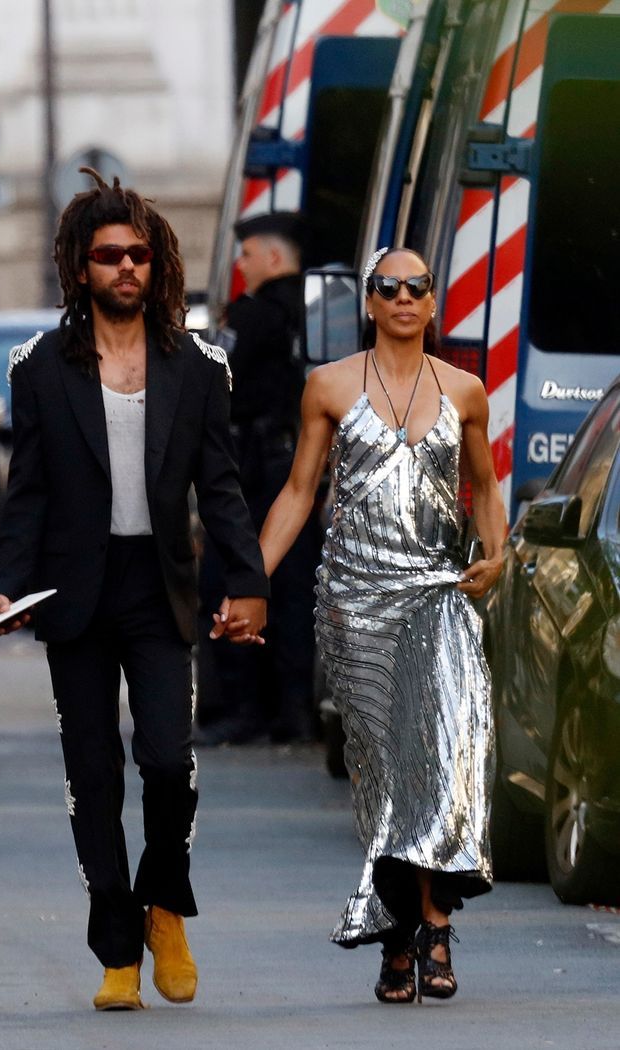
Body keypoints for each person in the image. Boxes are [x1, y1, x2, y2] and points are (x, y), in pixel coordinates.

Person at [0, 169, 268, 1011]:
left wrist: (247, 581)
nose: (125, 268)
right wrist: (6, 589)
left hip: (158, 587)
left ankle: (165, 905)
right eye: (108, 256)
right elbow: (24, 491)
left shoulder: (198, 366)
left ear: (155, 263)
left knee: (168, 761)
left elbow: (220, 485)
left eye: (138, 254)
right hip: (74, 593)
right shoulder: (40, 370)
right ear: (80, 268)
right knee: (93, 775)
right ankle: (116, 948)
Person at [218, 246, 507, 1002]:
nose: (406, 297)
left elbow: (484, 485)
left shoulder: (467, 391)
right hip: (356, 603)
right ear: (370, 304)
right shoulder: (329, 386)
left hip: (440, 596)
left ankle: (436, 927)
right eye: (390, 287)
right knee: (385, 779)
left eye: (419, 287)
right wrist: (252, 580)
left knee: (447, 759)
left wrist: (498, 557)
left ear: (433, 303)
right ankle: (396, 938)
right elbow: (297, 494)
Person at [199, 211, 320, 744]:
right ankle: (293, 711)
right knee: (294, 588)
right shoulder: (323, 313)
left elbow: (214, 384)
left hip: (252, 471)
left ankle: (242, 709)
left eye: (246, 255)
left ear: (272, 258)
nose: (241, 266)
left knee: (236, 581)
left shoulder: (249, 316)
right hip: (302, 465)